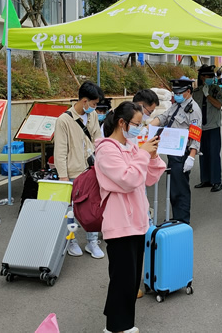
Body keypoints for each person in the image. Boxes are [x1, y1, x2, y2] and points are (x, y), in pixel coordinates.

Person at [96, 102, 166, 333]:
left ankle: (123, 324)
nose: (139, 129)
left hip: (136, 221)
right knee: (122, 279)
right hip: (119, 223)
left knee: (131, 279)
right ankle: (116, 327)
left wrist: (152, 156)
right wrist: (143, 155)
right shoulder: (106, 149)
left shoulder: (132, 145)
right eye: (136, 124)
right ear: (122, 123)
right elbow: (128, 179)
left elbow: (149, 178)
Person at [53, 81, 105, 258]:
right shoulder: (64, 120)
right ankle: (71, 241)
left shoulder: (93, 117)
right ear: (84, 101)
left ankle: (92, 241)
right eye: (93, 104)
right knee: (71, 209)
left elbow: (98, 139)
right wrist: (62, 176)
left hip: (91, 170)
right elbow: (60, 150)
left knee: (93, 207)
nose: (95, 107)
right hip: (73, 171)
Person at [148, 78, 202, 224]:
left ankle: (183, 220)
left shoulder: (194, 109)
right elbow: (164, 117)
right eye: (175, 92)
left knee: (181, 190)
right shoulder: (176, 105)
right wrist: (148, 127)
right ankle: (176, 217)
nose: (176, 95)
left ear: (188, 92)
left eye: (179, 92)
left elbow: (195, 135)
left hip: (183, 154)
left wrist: (191, 157)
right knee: (173, 188)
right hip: (172, 152)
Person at [193, 65, 222, 193]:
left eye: (212, 76)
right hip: (200, 127)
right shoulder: (196, 92)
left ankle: (216, 181)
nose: (211, 78)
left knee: (214, 154)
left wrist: (208, 96)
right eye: (208, 76)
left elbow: (219, 105)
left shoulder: (217, 90)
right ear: (202, 77)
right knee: (203, 154)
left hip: (213, 126)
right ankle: (205, 179)